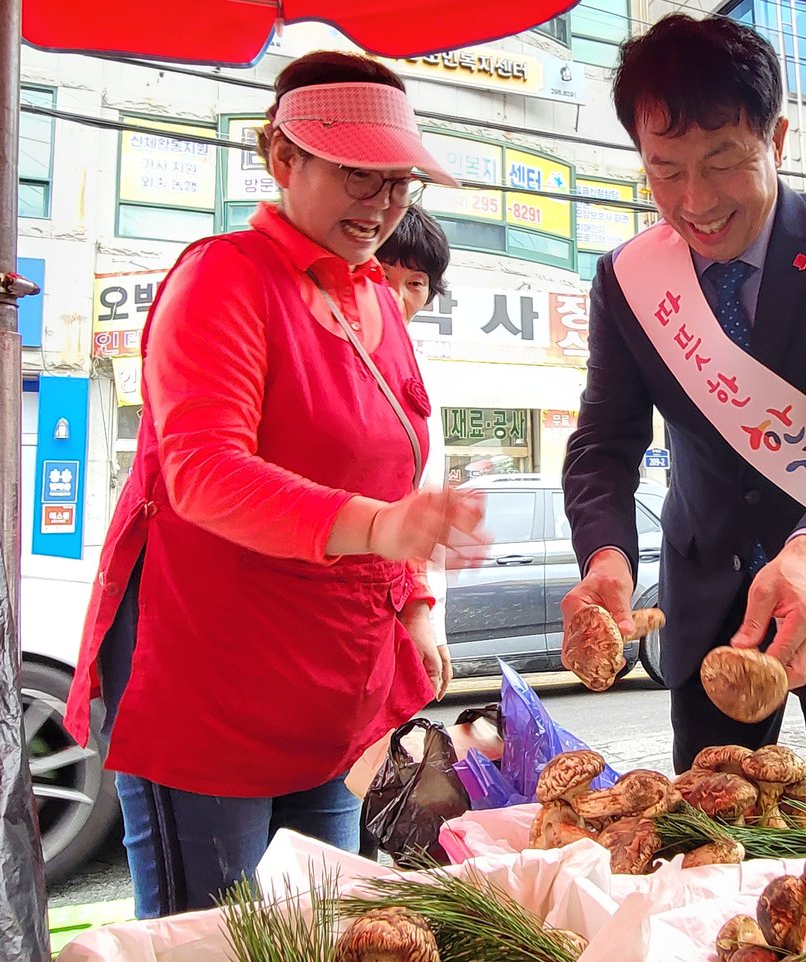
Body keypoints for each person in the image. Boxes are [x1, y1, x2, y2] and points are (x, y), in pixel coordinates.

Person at [60, 52, 486, 919]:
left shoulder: (373, 298)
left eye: (398, 182)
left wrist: (412, 603)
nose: (381, 204)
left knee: (317, 921)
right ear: (283, 159)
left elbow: (391, 475)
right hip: (215, 669)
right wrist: (381, 529)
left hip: (331, 679)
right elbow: (203, 473)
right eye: (356, 175)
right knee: (215, 934)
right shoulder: (225, 276)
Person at [561, 14, 806, 814]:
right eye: (664, 171)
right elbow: (604, 443)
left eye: (721, 162)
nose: (694, 203)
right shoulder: (629, 279)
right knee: (707, 851)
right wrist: (606, 556)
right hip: (709, 610)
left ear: (776, 138)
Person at [378, 206, 454, 683]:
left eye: (416, 283)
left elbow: (423, 515)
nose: (397, 296)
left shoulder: (420, 379)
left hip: (391, 601)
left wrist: (426, 615)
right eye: (382, 276)